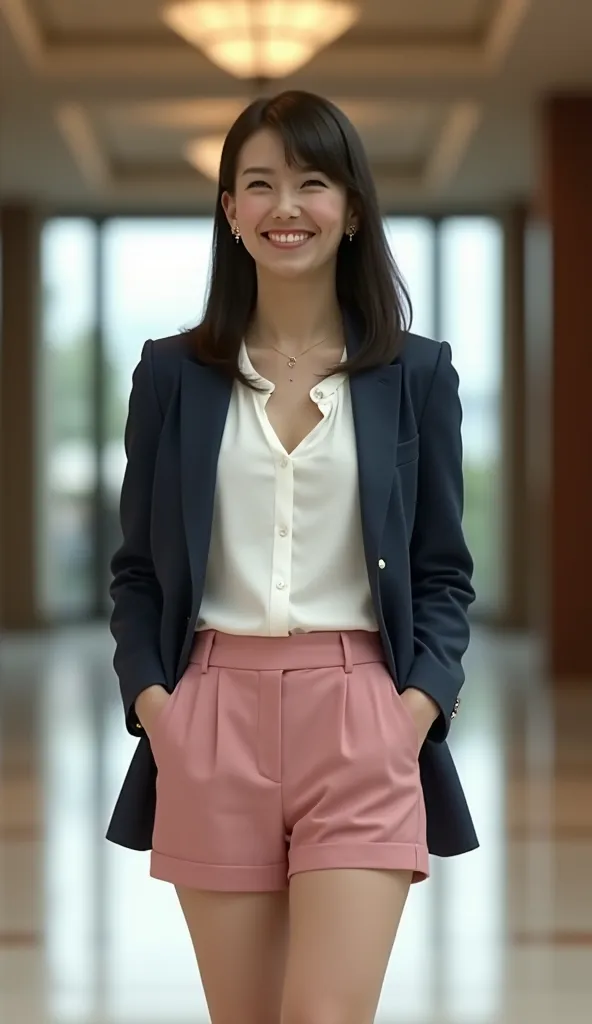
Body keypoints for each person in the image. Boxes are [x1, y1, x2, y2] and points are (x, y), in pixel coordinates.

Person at [106, 90, 477, 1024]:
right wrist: (159, 708)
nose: (286, 207)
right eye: (259, 184)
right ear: (229, 210)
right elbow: (137, 573)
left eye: (312, 183)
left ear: (352, 208)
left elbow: (442, 572)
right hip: (211, 715)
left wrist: (412, 713)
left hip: (361, 716)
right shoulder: (171, 375)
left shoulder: (417, 374)